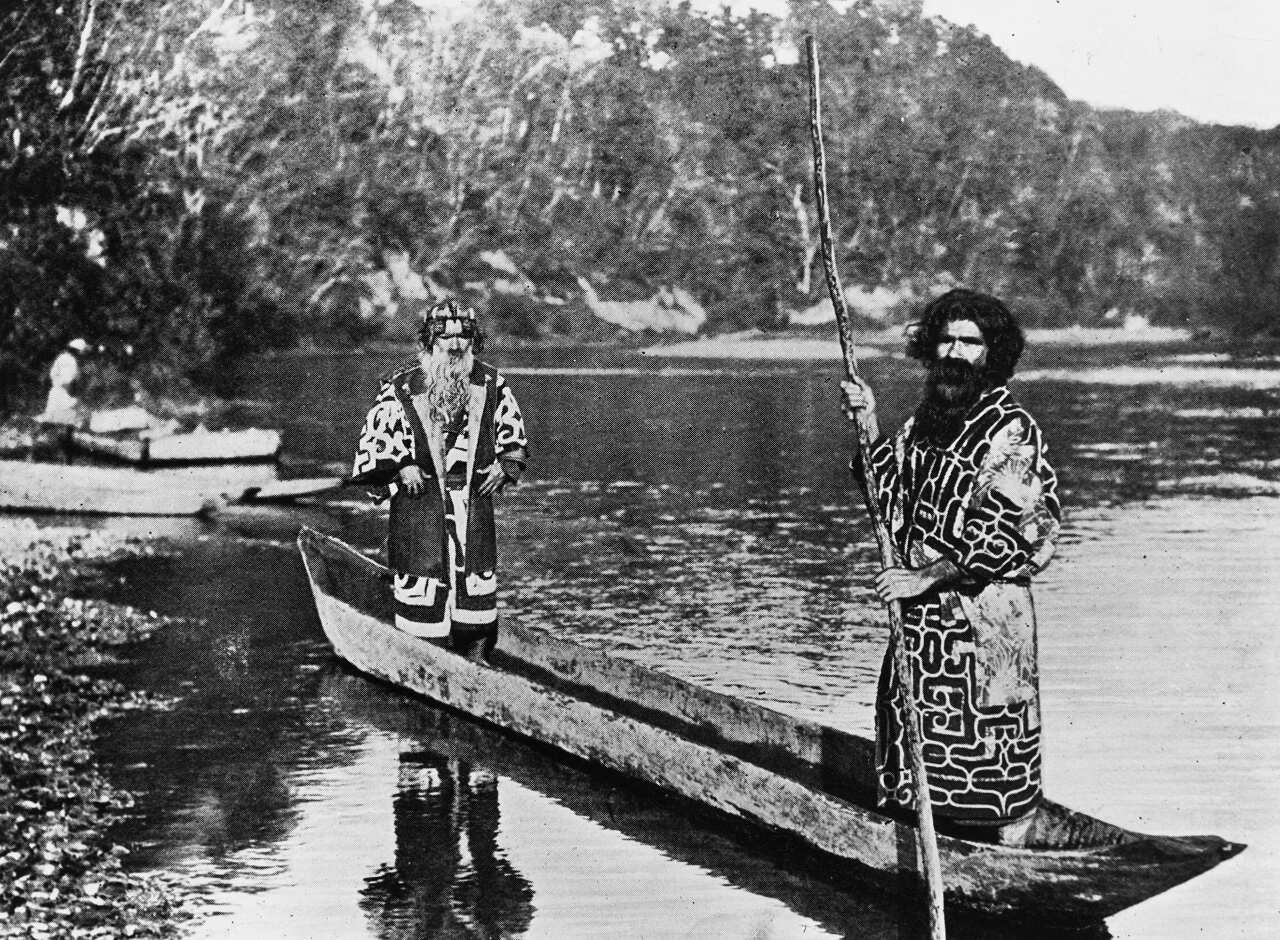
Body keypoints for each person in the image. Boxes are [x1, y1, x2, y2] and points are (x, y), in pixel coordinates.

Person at [841, 288, 1061, 843]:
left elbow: (1008, 535)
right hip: (922, 628)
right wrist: (869, 423)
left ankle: (1000, 850)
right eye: (946, 340)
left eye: (971, 342)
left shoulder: (1012, 430)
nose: (956, 353)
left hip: (984, 626)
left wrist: (924, 577)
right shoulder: (926, 422)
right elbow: (886, 498)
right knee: (915, 754)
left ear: (993, 353)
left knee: (992, 758)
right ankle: (912, 845)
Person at [351, 300, 528, 659]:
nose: (455, 346)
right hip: (420, 504)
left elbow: (513, 437)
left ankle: (475, 658)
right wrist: (401, 466)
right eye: (446, 339)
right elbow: (375, 440)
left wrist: (505, 466)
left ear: (473, 342)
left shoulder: (492, 383)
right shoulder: (400, 387)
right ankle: (421, 655)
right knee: (422, 582)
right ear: (429, 343)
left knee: (474, 584)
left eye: (464, 338)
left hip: (471, 501)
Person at [37, 337, 90, 426]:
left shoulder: (63, 357)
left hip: (57, 392)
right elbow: (67, 381)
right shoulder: (70, 361)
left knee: (53, 417)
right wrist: (72, 396)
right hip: (64, 394)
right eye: (83, 350)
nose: (84, 353)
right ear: (77, 351)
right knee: (80, 415)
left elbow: (53, 374)